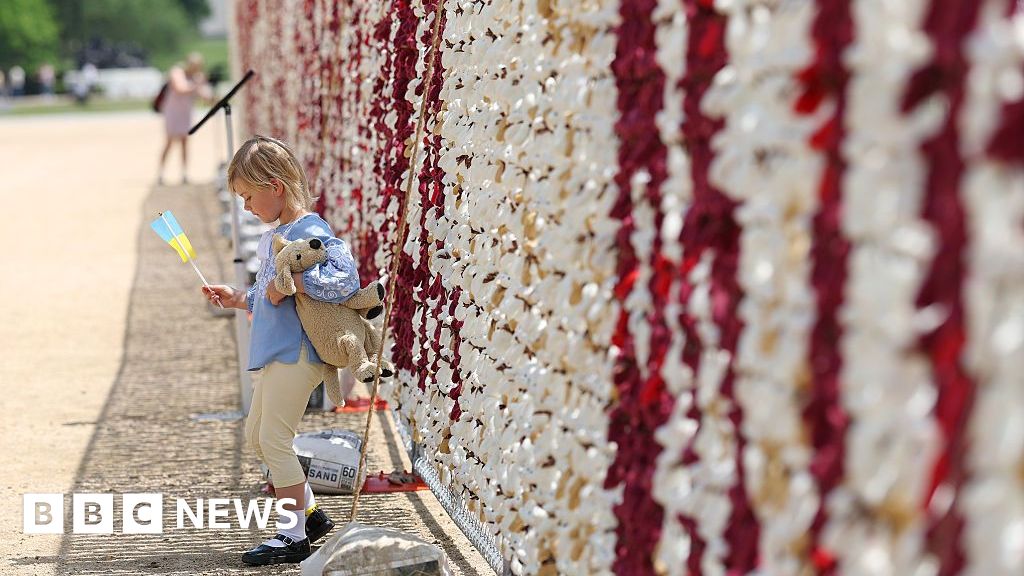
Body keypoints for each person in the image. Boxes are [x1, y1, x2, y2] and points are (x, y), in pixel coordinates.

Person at [201, 136, 364, 566]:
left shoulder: (310, 231)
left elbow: (345, 281)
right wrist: (238, 297)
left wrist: (289, 284)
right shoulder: (281, 234)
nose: (246, 207)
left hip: (299, 351)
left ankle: (293, 536)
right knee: (259, 437)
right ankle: (309, 516)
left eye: (248, 196)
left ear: (275, 187)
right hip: (280, 351)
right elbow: (268, 296)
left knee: (274, 439)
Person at [158, 53, 212, 185]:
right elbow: (180, 88)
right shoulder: (177, 72)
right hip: (173, 112)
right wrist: (197, 85)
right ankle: (161, 173)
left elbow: (204, 95)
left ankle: (184, 173)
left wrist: (209, 94)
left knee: (185, 142)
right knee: (169, 142)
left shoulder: (196, 77)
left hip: (185, 113)